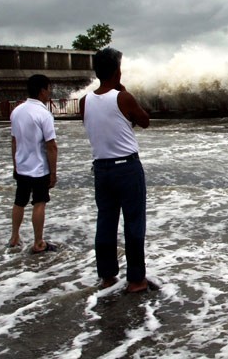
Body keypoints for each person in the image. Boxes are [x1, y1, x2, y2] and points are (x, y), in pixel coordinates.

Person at [80, 47, 151, 292]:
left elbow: (102, 123)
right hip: (126, 168)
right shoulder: (123, 97)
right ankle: (136, 280)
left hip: (101, 169)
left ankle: (108, 276)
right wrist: (125, 93)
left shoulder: (84, 101)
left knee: (106, 222)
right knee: (133, 223)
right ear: (116, 71)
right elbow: (144, 121)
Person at [9, 74, 58, 254]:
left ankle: (14, 237)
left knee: (19, 202)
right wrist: (53, 173)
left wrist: (15, 163)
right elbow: (51, 146)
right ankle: (38, 242)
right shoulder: (44, 114)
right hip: (38, 169)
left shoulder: (17, 111)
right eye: (48, 89)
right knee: (39, 202)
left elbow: (14, 141)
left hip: (21, 166)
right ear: (42, 91)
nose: (49, 93)